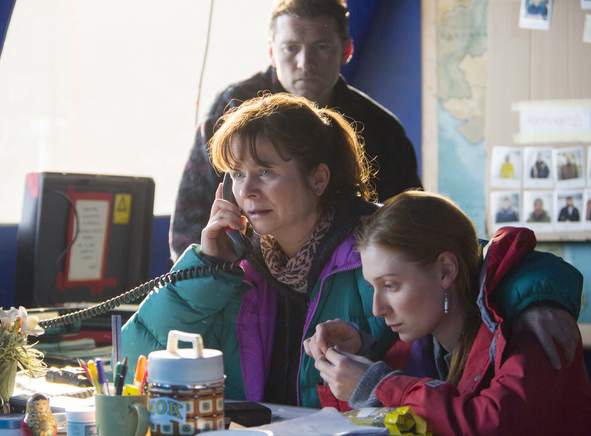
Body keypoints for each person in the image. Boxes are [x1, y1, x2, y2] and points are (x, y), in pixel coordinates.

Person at [123, 94, 581, 408]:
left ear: (318, 179)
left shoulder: (375, 239)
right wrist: (205, 268)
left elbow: (472, 259)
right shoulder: (231, 265)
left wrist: (535, 299)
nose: (248, 190)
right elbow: (133, 360)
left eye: (265, 171)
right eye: (238, 174)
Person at [304, 191, 590, 434]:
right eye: (372, 287)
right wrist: (351, 360)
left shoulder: (533, 332)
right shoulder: (419, 340)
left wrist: (379, 384)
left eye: (391, 285)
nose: (378, 308)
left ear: (445, 271)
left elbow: (493, 425)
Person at [169, 0, 421, 260]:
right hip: (246, 281)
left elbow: (409, 227)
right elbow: (188, 229)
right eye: (291, 48)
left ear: (346, 50)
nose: (305, 62)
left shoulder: (381, 128)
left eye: (321, 47)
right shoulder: (232, 109)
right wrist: (210, 274)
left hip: (354, 277)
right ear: (271, 52)